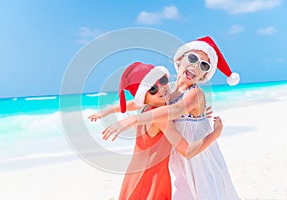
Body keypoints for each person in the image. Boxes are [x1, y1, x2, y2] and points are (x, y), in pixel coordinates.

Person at [101, 36, 241, 199]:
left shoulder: (195, 93)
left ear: (203, 76)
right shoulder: (168, 90)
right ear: (180, 59)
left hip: (199, 155)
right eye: (193, 58)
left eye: (203, 65)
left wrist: (135, 119)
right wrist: (109, 110)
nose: (196, 66)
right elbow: (141, 100)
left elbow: (176, 109)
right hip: (179, 158)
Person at [89, 61, 223, 200]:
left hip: (134, 176)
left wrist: (108, 110)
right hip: (151, 181)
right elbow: (188, 151)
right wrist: (216, 133)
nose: (162, 89)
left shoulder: (148, 111)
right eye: (152, 89)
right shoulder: (160, 117)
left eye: (163, 80)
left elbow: (135, 104)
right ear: (144, 97)